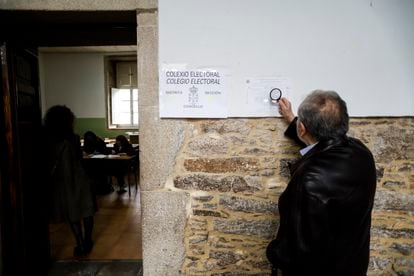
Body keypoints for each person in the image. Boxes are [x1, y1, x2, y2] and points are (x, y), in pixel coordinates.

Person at [266, 90, 377, 276]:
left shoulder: (308, 182)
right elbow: (325, 144)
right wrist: (294, 120)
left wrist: (274, 252)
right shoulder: (362, 153)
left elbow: (297, 250)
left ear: (303, 129)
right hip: (353, 266)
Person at [43, 105, 96, 257]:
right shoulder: (73, 138)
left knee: (71, 212)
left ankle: (79, 242)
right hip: (79, 178)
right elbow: (79, 158)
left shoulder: (48, 139)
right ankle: (87, 241)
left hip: (62, 181)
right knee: (87, 210)